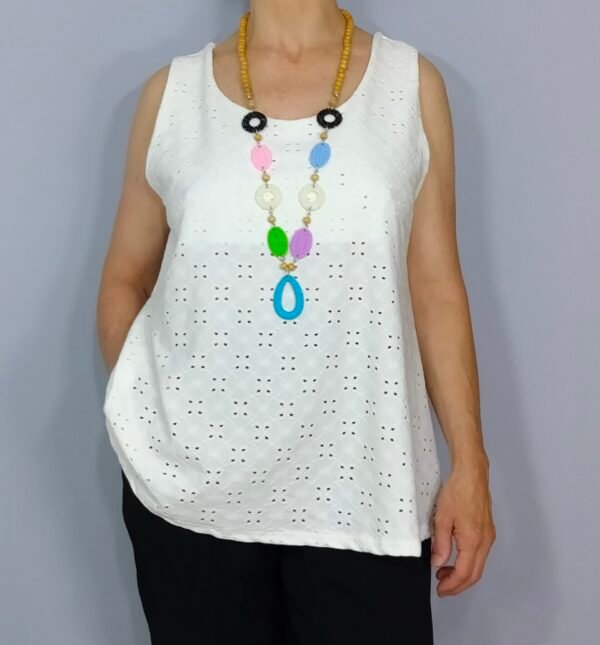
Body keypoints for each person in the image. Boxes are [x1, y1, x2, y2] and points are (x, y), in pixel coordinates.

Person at [96, 1, 495, 643]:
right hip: (193, 495)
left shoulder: (410, 85)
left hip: (363, 483)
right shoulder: (171, 95)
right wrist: (147, 401)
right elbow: (124, 277)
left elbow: (436, 287)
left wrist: (471, 463)